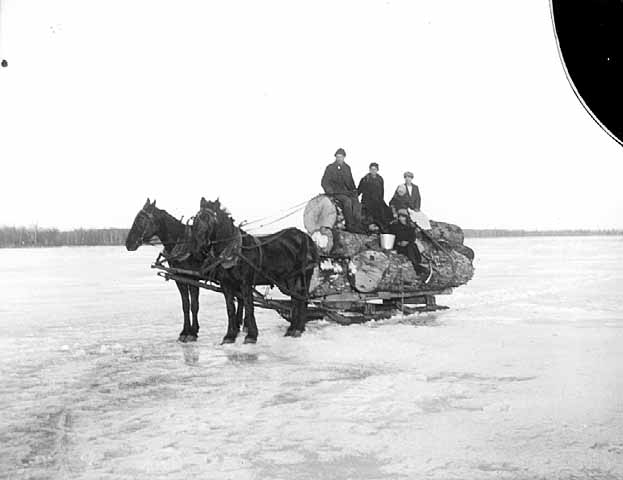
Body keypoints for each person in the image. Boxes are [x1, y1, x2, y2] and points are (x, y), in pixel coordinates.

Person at [321, 148, 363, 233]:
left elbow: (351, 181)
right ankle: (349, 225)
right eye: (337, 157)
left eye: (341, 157)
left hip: (346, 192)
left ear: (344, 157)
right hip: (336, 193)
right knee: (347, 201)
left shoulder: (347, 168)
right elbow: (324, 182)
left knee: (355, 201)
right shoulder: (330, 168)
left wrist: (354, 191)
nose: (339, 159)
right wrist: (329, 190)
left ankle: (358, 225)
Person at [388, 209, 430, 278]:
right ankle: (416, 266)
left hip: (409, 245)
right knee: (409, 247)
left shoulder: (410, 227)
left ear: (406, 217)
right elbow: (392, 237)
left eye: (403, 217)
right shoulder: (394, 226)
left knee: (413, 246)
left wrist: (407, 242)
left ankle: (418, 262)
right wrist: (399, 243)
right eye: (400, 217)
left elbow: (412, 238)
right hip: (399, 246)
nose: (401, 218)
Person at [357, 162, 392, 231]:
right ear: (369, 170)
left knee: (387, 212)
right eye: (372, 169)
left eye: (375, 169)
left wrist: (381, 200)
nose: (373, 171)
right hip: (367, 201)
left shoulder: (380, 179)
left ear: (377, 170)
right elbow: (359, 190)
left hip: (378, 200)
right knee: (368, 215)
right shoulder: (365, 179)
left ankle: (384, 228)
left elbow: (382, 191)